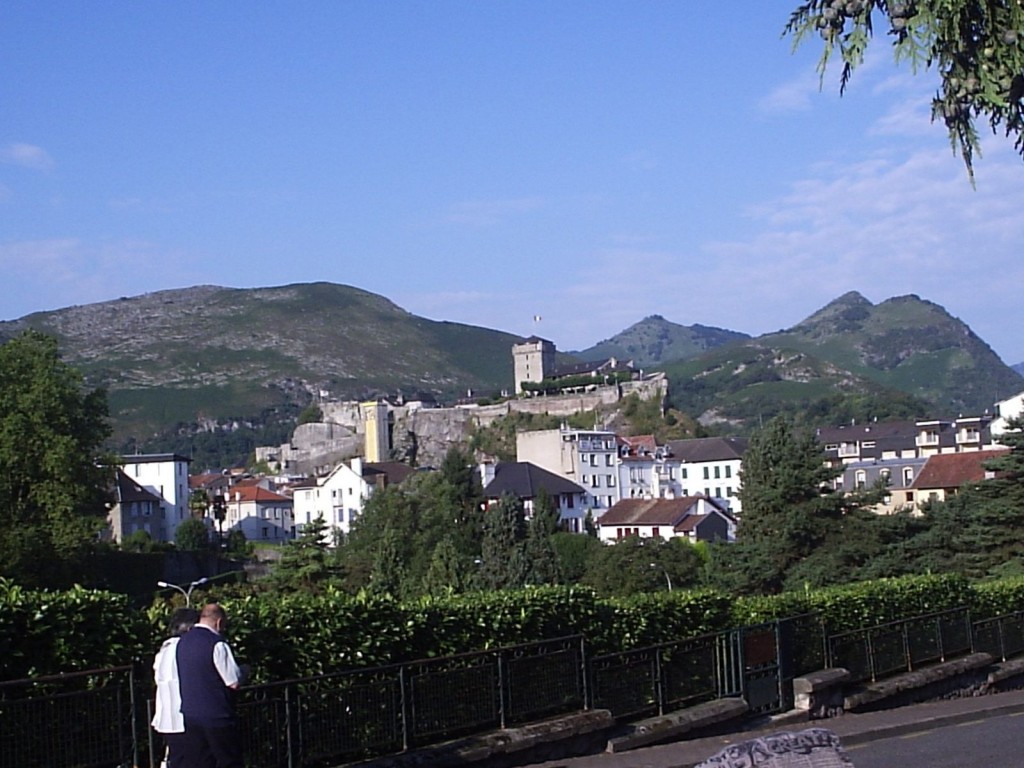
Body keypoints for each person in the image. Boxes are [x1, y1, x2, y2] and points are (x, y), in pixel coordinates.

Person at [176, 603, 245, 768]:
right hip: (217, 715)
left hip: (190, 714)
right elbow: (233, 681)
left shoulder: (182, 642)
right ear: (219, 622)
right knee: (229, 760)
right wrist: (245, 671)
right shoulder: (217, 643)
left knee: (200, 761)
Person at [151, 607, 199, 768]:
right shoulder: (189, 648)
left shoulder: (164, 651)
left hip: (167, 717)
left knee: (176, 757)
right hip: (187, 717)